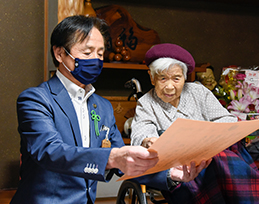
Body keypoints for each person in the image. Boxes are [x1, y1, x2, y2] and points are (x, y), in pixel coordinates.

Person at [10, 15, 160, 204]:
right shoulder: (35, 99)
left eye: (100, 53)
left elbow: (123, 159)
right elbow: (50, 151)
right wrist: (112, 157)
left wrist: (171, 174)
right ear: (59, 54)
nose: (96, 60)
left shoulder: (103, 106)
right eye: (87, 52)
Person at [131, 43, 259, 203]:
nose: (169, 86)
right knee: (220, 159)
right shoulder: (146, 103)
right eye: (162, 78)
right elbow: (142, 133)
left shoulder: (198, 91)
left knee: (220, 156)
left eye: (176, 78)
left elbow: (227, 120)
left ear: (185, 77)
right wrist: (149, 140)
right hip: (183, 168)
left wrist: (207, 135)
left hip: (213, 156)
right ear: (152, 78)